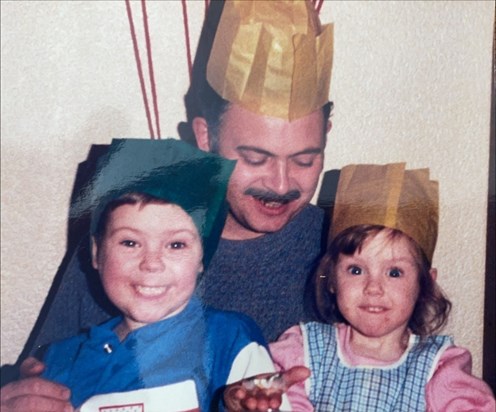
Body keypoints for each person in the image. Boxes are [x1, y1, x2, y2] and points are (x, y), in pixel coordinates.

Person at [1, 1, 333, 410]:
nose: (281, 184)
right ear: (205, 137)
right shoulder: (123, 229)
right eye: (255, 158)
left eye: (305, 159)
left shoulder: (345, 248)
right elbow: (37, 374)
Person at [40, 137, 293, 412]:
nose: (151, 263)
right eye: (130, 242)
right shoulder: (59, 361)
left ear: (202, 258)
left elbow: (261, 400)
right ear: (96, 252)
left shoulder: (228, 339)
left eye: (176, 244)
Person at [226, 163, 496, 411]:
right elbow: (260, 389)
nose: (373, 288)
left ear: (425, 283)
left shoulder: (440, 367)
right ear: (332, 278)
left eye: (394, 272)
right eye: (356, 270)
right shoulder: (303, 351)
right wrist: (243, 396)